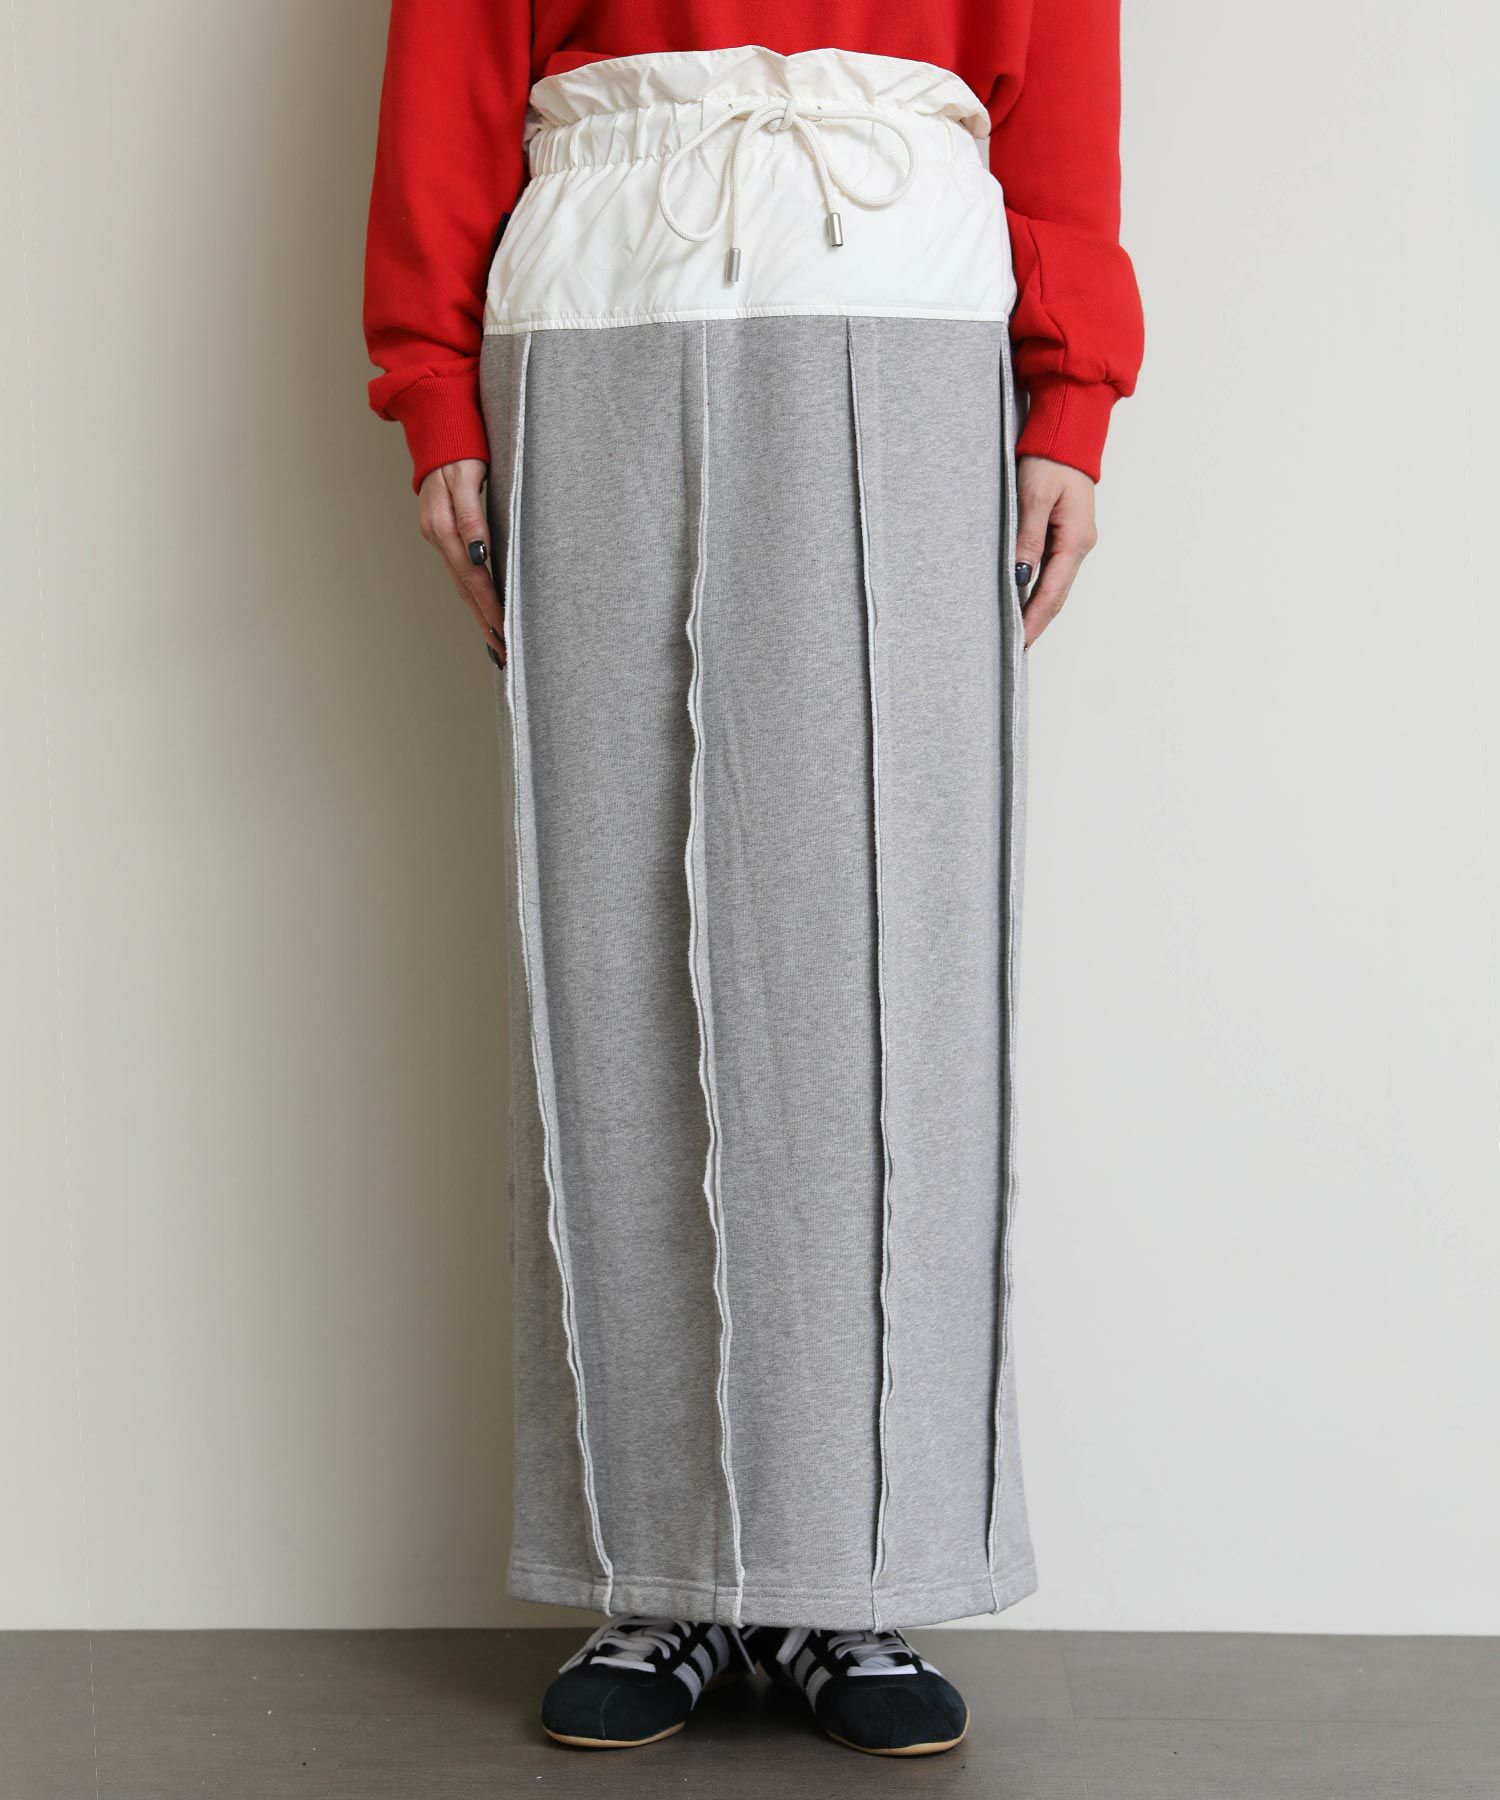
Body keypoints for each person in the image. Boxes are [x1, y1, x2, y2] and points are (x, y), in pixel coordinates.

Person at [363, 0, 1141, 1759]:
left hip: (906, 306)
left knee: (888, 957)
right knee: (615, 940)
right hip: (604, 302)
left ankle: (856, 1567)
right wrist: (431, 387)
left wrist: (1071, 399)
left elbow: (1061, 68)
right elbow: (452, 59)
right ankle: (653, 1570)